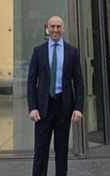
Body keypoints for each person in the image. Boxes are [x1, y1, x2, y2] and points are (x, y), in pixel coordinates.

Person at [28, 16, 84, 176]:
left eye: (59, 26)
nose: (55, 29)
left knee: (62, 152)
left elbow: (78, 82)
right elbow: (31, 82)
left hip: (63, 107)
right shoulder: (38, 51)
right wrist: (32, 108)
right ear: (47, 29)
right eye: (52, 26)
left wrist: (78, 108)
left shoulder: (72, 52)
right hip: (43, 109)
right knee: (40, 152)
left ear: (63, 29)